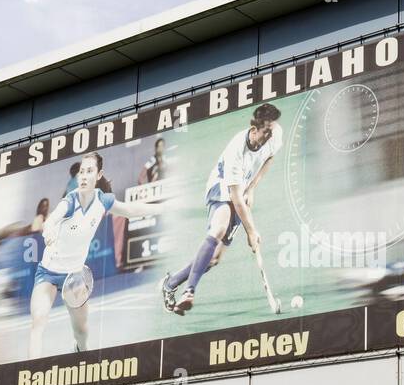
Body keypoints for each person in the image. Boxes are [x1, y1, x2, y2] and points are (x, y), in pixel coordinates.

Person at [28, 152, 162, 357]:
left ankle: (81, 352)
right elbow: (52, 220)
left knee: (81, 332)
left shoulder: (103, 200)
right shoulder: (70, 201)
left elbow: (129, 209)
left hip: (74, 276)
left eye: (89, 171)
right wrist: (49, 232)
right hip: (47, 272)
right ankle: (30, 379)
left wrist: (161, 207)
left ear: (99, 175)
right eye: (81, 171)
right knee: (38, 321)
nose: (83, 176)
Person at [161, 103, 282, 314]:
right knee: (218, 228)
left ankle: (171, 283)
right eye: (267, 132)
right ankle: (189, 291)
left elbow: (269, 158)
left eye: (272, 130)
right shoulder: (237, 150)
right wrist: (251, 231)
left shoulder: (275, 135)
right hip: (221, 186)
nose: (271, 136)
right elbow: (235, 200)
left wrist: (252, 188)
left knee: (214, 258)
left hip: (241, 187)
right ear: (254, 131)